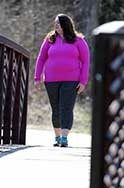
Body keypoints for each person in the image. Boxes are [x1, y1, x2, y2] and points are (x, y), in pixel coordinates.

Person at [34, 13, 90, 147]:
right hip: (51, 80)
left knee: (66, 108)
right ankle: (57, 136)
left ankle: (64, 137)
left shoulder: (78, 40)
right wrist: (37, 77)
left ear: (66, 25)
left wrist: (83, 81)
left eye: (58, 23)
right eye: (55, 24)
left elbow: (86, 61)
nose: (56, 26)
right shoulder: (50, 39)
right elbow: (41, 58)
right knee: (56, 108)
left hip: (71, 80)